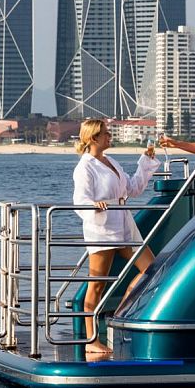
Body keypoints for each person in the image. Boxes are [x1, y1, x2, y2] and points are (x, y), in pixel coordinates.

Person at [72, 118, 160, 356]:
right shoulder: (85, 167)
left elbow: (132, 188)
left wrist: (146, 162)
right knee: (97, 284)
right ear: (94, 138)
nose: (110, 137)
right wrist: (94, 205)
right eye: (106, 134)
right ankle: (91, 338)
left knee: (150, 269)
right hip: (102, 226)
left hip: (124, 223)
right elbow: (80, 200)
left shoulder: (110, 161)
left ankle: (119, 314)